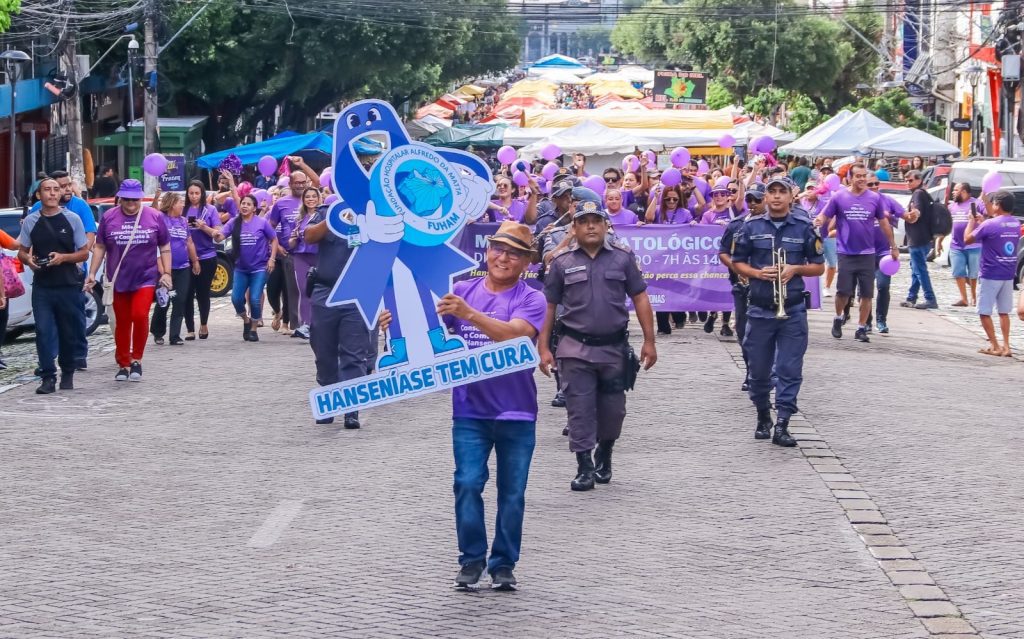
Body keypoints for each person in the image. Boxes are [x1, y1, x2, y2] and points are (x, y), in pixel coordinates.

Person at [440, 220, 546, 592]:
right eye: (499, 249)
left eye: (514, 253)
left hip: (517, 411)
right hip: (469, 410)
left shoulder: (532, 298)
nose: (504, 258)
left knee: (512, 493)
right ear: (487, 252)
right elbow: (427, 332)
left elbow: (515, 335)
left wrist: (468, 314)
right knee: (466, 484)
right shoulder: (460, 290)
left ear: (525, 263)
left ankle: (503, 563)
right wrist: (394, 322)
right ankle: (471, 560)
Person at [538, 197, 657, 492]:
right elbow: (549, 307)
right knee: (579, 408)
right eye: (583, 222)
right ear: (574, 228)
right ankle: (584, 466)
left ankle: (605, 451)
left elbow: (640, 297)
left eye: (596, 222)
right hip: (574, 348)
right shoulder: (562, 262)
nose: (590, 226)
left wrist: (650, 341)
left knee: (613, 410)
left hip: (614, 348)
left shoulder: (623, 257)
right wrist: (543, 348)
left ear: (606, 226)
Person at [731, 176, 825, 446]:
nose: (775, 197)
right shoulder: (750, 227)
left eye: (781, 192)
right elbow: (738, 262)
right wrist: (757, 273)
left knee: (789, 368)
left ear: (790, 197)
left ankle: (783, 422)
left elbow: (818, 266)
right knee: (758, 372)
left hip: (792, 310)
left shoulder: (804, 227)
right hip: (760, 309)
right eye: (771, 192)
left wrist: (795, 269)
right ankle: (763, 414)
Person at [303, 199, 381, 428]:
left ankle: (351, 409)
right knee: (323, 351)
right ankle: (329, 402)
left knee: (354, 353)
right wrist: (333, 219)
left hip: (357, 293)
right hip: (326, 291)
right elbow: (308, 236)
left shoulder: (372, 212)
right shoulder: (328, 211)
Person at [85, 179, 171, 382]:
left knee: (139, 315)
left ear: (140, 198)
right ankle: (123, 363)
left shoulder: (155, 217)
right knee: (122, 322)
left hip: (146, 276)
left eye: (135, 199)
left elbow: (165, 247)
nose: (131, 203)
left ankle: (137, 360)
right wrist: (92, 272)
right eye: (126, 199)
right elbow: (100, 247)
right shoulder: (109, 217)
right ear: (120, 198)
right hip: (118, 278)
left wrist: (167, 273)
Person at [16, 179, 90, 393]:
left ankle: (68, 371)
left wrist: (63, 258)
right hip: (43, 286)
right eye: (47, 190)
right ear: (39, 195)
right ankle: (48, 376)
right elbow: (22, 251)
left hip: (68, 284)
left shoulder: (72, 219)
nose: (52, 193)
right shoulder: (31, 221)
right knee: (43, 331)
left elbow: (84, 252)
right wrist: (28, 260)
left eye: (56, 190)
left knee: (69, 331)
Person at [816, 164, 898, 343]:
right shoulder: (839, 197)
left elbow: (884, 224)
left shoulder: (874, 198)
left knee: (867, 293)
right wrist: (818, 221)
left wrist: (893, 246)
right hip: (846, 252)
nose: (861, 179)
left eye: (864, 176)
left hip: (868, 253)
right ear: (849, 178)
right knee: (843, 292)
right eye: (858, 176)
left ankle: (861, 328)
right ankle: (838, 318)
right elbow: (825, 216)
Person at [29, 170, 97, 370]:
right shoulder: (36, 209)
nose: (66, 190)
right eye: (61, 186)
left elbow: (90, 234)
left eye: (67, 185)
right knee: (45, 324)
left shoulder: (79, 207)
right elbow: (28, 240)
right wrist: (31, 258)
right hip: (45, 275)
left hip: (72, 273)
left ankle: (77, 356)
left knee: (74, 317)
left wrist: (75, 260)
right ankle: (48, 360)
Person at [214, 194, 278, 342]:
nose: (244, 206)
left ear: (254, 208)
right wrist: (213, 232)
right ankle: (246, 319)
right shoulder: (234, 222)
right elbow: (220, 237)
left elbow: (274, 239)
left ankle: (254, 328)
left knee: (255, 299)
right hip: (240, 269)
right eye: (243, 203)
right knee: (236, 299)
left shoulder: (262, 223)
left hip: (260, 268)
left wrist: (272, 259)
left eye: (248, 204)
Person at [964, 189, 1021, 357]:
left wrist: (971, 222)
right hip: (1008, 273)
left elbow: (967, 239)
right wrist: (984, 222)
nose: (991, 205)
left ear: (998, 205)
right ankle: (1007, 346)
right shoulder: (1015, 223)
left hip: (991, 272)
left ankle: (995, 346)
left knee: (984, 311)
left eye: (993, 202)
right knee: (1004, 312)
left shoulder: (989, 224)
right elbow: (997, 229)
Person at [865, 172, 917, 335]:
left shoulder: (886, 200)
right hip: (863, 252)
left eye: (876, 183)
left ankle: (881, 320)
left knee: (883, 286)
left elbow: (906, 217)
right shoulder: (858, 201)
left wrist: (914, 215)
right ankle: (866, 321)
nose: (874, 187)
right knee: (865, 290)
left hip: (883, 252)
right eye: (870, 184)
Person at [149, 192, 200, 346]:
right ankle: (158, 332)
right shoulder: (161, 219)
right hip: (165, 268)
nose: (183, 205)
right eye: (180, 202)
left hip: (183, 267)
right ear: (172, 204)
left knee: (180, 300)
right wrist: (156, 197)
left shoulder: (184, 221)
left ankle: (175, 335)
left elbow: (189, 243)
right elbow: (152, 212)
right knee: (164, 300)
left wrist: (195, 261)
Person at [266, 170, 308, 337]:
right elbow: (269, 227)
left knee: (301, 290)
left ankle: (299, 325)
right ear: (290, 184)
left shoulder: (311, 200)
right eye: (296, 183)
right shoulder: (281, 203)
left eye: (303, 182)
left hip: (306, 252)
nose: (300, 186)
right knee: (276, 289)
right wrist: (276, 246)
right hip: (285, 253)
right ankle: (279, 312)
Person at [183, 180, 221, 340]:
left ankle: (204, 324)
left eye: (197, 193)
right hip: (185, 258)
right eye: (191, 193)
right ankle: (190, 328)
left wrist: (204, 227)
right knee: (186, 293)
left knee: (203, 293)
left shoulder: (210, 210)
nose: (193, 196)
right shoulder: (183, 209)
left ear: (202, 194)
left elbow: (219, 233)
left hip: (207, 256)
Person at [900, 170, 938, 310]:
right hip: (922, 238)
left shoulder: (918, 194)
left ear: (919, 180)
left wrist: (907, 214)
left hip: (918, 238)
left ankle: (930, 298)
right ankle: (911, 297)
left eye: (910, 180)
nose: (907, 183)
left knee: (920, 270)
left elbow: (917, 212)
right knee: (916, 268)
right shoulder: (923, 194)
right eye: (905, 180)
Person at [289, 187, 321, 336]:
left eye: (314, 196)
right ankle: (306, 324)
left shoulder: (323, 215)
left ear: (318, 198)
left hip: (319, 256)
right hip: (301, 256)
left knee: (320, 290)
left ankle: (320, 324)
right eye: (307, 197)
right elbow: (291, 243)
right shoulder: (299, 218)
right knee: (304, 290)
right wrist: (293, 239)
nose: (311, 199)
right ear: (303, 200)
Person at [947, 182, 985, 307]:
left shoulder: (976, 203)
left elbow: (987, 217)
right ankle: (964, 299)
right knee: (958, 272)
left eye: (956, 190)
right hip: (956, 245)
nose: (953, 192)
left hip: (974, 244)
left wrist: (981, 219)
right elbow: (948, 224)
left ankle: (974, 297)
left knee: (973, 274)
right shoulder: (952, 206)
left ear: (963, 191)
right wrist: (940, 240)